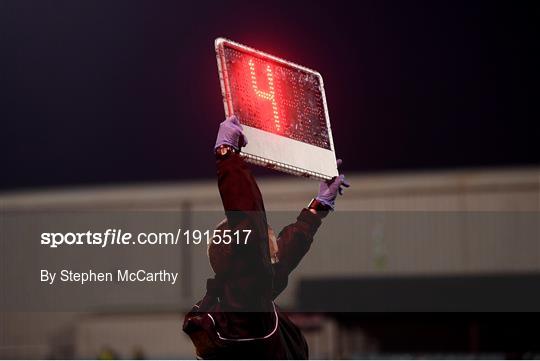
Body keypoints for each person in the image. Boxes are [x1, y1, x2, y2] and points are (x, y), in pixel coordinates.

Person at [183, 116, 349, 359]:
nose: (271, 241)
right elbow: (250, 225)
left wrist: (316, 210)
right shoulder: (246, 310)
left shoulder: (239, 307)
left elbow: (281, 261)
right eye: (267, 239)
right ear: (246, 255)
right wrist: (227, 156)